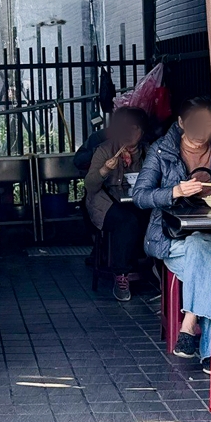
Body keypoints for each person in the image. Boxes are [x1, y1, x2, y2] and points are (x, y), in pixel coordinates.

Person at [131, 97, 211, 360]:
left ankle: (188, 327)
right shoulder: (162, 151)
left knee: (203, 252)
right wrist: (175, 191)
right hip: (170, 238)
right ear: (182, 123)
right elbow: (140, 196)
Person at [83, 106, 152, 302]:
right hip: (103, 202)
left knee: (153, 217)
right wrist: (104, 169)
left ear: (142, 131)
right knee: (126, 221)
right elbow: (90, 185)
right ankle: (121, 275)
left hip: (137, 201)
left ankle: (154, 268)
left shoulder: (148, 152)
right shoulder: (105, 149)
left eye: (134, 128)